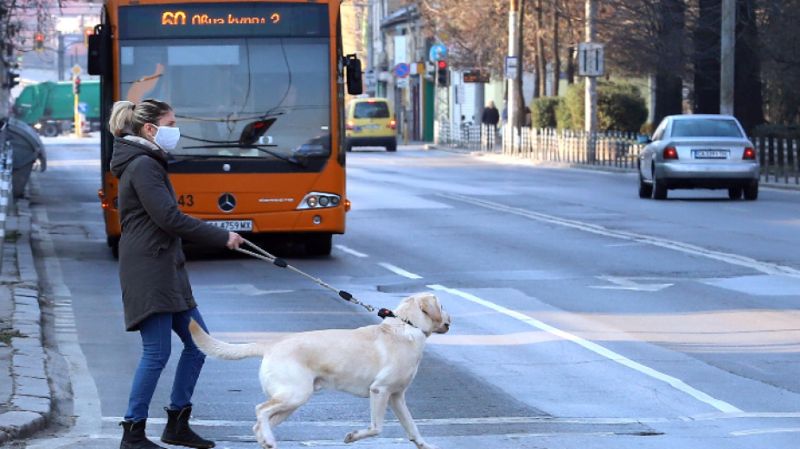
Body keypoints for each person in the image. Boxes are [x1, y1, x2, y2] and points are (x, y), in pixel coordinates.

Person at [108, 99, 245, 449]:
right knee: (156, 352)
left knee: (199, 345)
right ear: (150, 129)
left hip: (166, 267)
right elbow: (168, 218)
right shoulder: (142, 165)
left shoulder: (148, 162)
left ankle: (177, 424)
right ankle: (133, 432)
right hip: (149, 269)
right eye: (171, 122)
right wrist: (221, 236)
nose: (175, 129)